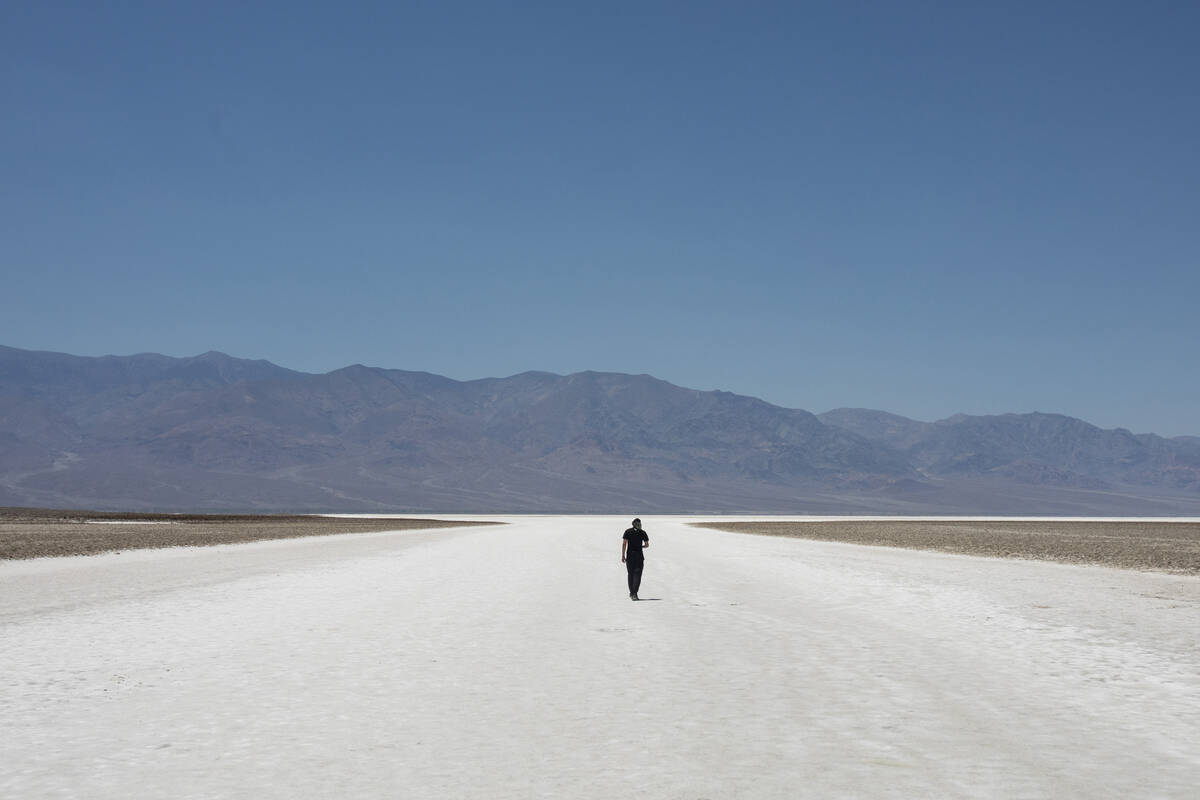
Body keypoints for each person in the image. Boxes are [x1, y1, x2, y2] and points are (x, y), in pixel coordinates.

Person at [621, 518, 650, 600]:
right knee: (637, 575)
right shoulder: (643, 532)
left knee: (630, 574)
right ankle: (634, 594)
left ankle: (632, 593)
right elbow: (647, 545)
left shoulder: (628, 531)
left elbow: (624, 543)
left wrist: (623, 555)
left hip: (630, 556)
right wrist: (641, 546)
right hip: (639, 556)